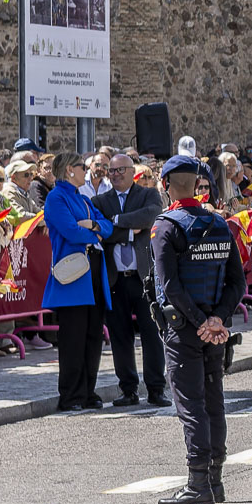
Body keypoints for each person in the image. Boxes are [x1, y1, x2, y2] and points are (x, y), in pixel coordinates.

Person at [150, 155, 247, 504]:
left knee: (191, 405)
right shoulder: (220, 224)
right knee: (213, 403)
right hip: (213, 331)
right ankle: (215, 480)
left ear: (165, 185)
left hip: (185, 329)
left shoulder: (166, 227)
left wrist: (201, 322)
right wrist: (218, 319)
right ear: (197, 184)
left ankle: (198, 483)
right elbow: (238, 282)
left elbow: (170, 287)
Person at [93, 152, 169, 407]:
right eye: (111, 172)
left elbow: (151, 216)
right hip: (116, 278)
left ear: (131, 171)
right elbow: (100, 228)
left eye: (119, 171)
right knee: (120, 335)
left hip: (142, 276)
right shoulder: (101, 200)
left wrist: (117, 222)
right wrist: (128, 231)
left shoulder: (147, 194)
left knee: (151, 333)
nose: (114, 175)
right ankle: (128, 388)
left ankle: (156, 388)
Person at [41, 151, 114, 411]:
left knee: (93, 334)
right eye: (81, 167)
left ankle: (88, 390)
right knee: (73, 337)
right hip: (73, 273)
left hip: (92, 269)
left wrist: (93, 227)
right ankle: (71, 394)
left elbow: (106, 226)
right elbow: (70, 231)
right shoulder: (55, 197)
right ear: (69, 170)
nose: (86, 170)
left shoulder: (82, 198)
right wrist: (94, 231)